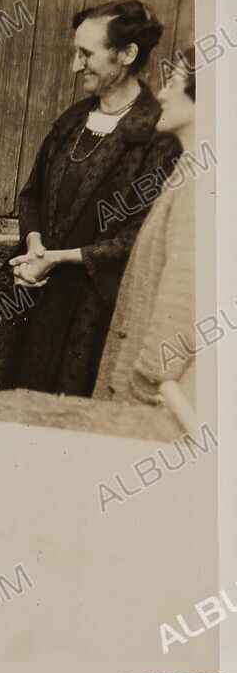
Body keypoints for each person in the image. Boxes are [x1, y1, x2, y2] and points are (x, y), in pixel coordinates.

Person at [1, 0, 183, 396]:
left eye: (86, 54)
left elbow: (139, 237)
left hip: (96, 311)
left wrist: (60, 259)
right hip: (39, 297)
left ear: (127, 54)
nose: (74, 65)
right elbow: (32, 194)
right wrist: (34, 247)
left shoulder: (156, 136)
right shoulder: (72, 120)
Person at [94, 48, 199, 406]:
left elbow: (184, 296)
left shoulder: (201, 184)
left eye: (175, 82)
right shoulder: (190, 169)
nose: (163, 93)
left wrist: (146, 382)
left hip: (149, 397)